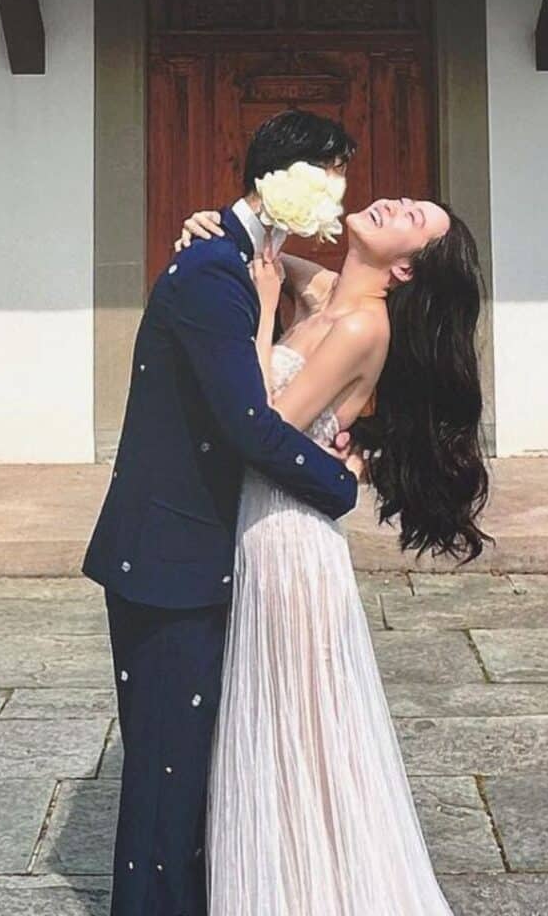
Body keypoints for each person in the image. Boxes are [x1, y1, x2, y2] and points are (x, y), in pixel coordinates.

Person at [80, 110, 363, 916]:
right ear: (289, 178)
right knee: (167, 777)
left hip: (207, 551)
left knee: (200, 770)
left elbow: (348, 292)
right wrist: (339, 487)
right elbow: (247, 424)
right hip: (169, 552)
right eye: (332, 172)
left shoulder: (244, 259)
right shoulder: (212, 273)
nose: (341, 193)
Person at [176, 194, 492, 914]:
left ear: (407, 269)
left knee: (297, 721)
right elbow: (275, 258)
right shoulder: (324, 293)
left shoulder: (358, 323)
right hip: (260, 523)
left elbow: (262, 422)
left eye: (412, 218)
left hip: (289, 538)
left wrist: (258, 307)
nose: (394, 203)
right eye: (409, 199)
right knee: (277, 721)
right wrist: (223, 231)